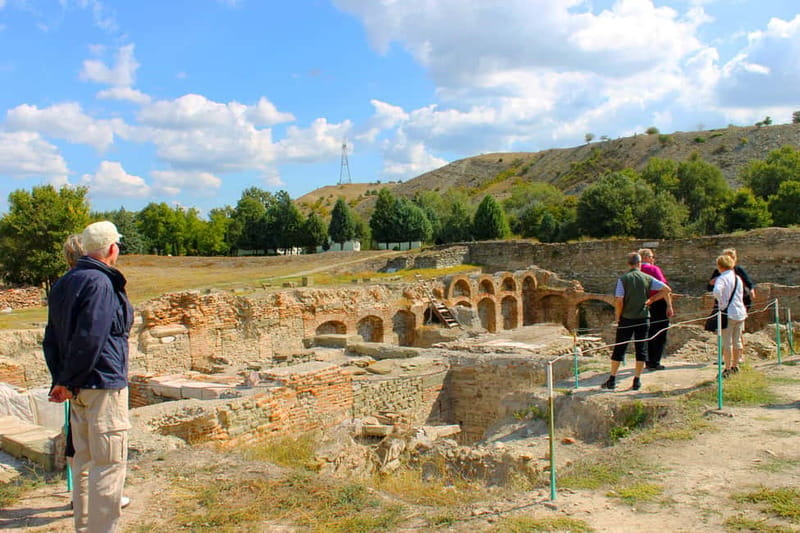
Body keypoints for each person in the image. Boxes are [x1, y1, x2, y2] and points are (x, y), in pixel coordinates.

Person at [44, 221, 133, 533]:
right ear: (111, 248)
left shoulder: (65, 282)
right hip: (102, 385)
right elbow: (90, 338)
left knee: (83, 462)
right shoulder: (100, 283)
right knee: (108, 465)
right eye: (117, 246)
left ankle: (84, 527)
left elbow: (51, 338)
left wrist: (63, 379)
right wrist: (68, 381)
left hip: (79, 387)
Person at [602, 252, 671, 391]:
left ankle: (612, 379)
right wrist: (651, 300)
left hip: (627, 318)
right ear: (640, 263)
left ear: (628, 264)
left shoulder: (623, 279)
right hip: (643, 318)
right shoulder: (647, 278)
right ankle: (637, 380)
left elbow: (619, 300)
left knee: (620, 348)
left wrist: (618, 316)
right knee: (641, 349)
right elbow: (666, 289)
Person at [638, 248, 674, 370]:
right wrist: (669, 305)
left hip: (642, 304)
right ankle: (655, 361)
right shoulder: (653, 269)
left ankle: (647, 360)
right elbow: (665, 289)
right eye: (652, 257)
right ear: (646, 257)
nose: (653, 259)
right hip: (657, 303)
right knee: (660, 333)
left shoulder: (636, 271)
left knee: (647, 332)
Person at [712, 254, 748, 377]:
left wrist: (721, 303)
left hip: (728, 313)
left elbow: (716, 291)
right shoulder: (738, 278)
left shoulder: (722, 278)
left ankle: (727, 368)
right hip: (740, 311)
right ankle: (735, 365)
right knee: (737, 340)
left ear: (720, 266)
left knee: (727, 342)